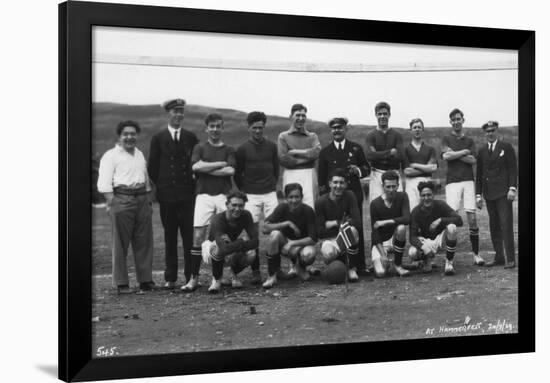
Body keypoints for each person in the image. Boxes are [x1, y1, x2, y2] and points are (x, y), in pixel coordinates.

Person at [98, 120, 155, 294]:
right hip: (121, 199)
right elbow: (104, 183)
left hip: (142, 200)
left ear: (137, 135)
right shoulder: (110, 156)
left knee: (144, 241)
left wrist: (147, 199)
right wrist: (112, 202)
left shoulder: (139, 154)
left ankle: (145, 280)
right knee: (120, 243)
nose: (129, 137)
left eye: (133, 134)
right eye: (126, 134)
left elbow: (145, 179)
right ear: (119, 136)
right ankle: (121, 284)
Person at [148, 99, 198, 290]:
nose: (178, 115)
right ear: (168, 114)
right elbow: (152, 167)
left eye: (181, 112)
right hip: (167, 195)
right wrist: (163, 185)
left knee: (188, 237)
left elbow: (195, 162)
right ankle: (170, 277)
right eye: (175, 111)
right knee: (169, 236)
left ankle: (189, 276)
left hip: (187, 195)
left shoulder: (190, 137)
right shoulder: (158, 138)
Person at [186, 113, 237, 291]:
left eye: (218, 126)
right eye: (212, 126)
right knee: (198, 236)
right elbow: (195, 167)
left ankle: (219, 277)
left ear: (223, 128)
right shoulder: (199, 147)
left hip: (223, 196)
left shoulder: (229, 149)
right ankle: (193, 279)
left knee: (222, 235)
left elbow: (230, 171)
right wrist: (219, 164)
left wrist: (206, 168)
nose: (215, 129)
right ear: (206, 128)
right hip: (203, 195)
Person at [318, 117, 370, 275]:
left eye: (340, 127)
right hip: (333, 197)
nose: (337, 130)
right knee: (334, 229)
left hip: (353, 194)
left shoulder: (355, 148)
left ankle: (359, 265)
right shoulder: (325, 152)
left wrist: (358, 170)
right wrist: (325, 197)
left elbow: (367, 168)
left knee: (355, 228)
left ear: (345, 129)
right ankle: (338, 263)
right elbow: (321, 179)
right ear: (331, 130)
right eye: (333, 128)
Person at [235, 111, 279, 284]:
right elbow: (238, 175)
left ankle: (275, 270)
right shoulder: (242, 149)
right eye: (254, 128)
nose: (258, 131)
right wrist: (245, 191)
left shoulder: (271, 146)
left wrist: (271, 185)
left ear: (264, 127)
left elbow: (276, 170)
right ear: (249, 128)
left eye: (261, 127)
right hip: (251, 195)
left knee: (274, 231)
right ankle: (255, 272)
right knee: (252, 233)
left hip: (269, 193)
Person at [441, 108, 485, 266]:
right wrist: (463, 152)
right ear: (450, 122)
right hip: (452, 182)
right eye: (453, 119)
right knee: (451, 220)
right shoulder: (446, 138)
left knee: (472, 218)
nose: (456, 121)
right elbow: (446, 156)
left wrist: (456, 154)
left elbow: (473, 160)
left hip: (468, 181)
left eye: (458, 119)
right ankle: (449, 260)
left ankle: (476, 254)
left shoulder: (470, 140)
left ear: (463, 120)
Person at [475, 121, 518, 269]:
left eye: (492, 130)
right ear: (484, 133)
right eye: (487, 131)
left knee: (506, 225)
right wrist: (478, 195)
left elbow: (513, 169)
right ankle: (499, 256)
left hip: (504, 193)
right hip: (489, 194)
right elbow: (479, 174)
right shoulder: (481, 151)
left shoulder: (506, 147)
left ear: (497, 131)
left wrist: (512, 188)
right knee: (494, 226)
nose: (490, 133)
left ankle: (510, 259)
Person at [262, 183, 318, 289]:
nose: (294, 200)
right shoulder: (282, 208)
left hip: (301, 245)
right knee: (274, 234)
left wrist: (292, 243)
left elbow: (313, 238)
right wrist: (287, 223)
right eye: (291, 197)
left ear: (302, 197)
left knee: (310, 254)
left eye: (297, 197)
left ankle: (300, 267)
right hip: (285, 244)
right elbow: (265, 228)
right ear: (286, 198)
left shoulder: (308, 210)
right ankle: (271, 276)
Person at [202, 190, 259, 293]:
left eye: (241, 205)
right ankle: (216, 279)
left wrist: (236, 244)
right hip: (212, 248)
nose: (237, 209)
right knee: (220, 248)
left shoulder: (246, 215)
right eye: (234, 205)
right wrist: (241, 241)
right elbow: (223, 249)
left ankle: (231, 272)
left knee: (251, 253)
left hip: (231, 246)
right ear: (227, 205)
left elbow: (256, 242)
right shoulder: (217, 219)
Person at [315, 168, 362, 282]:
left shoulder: (350, 196)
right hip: (329, 239)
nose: (338, 186)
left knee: (353, 230)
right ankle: (334, 268)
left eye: (342, 183)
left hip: (345, 235)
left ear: (346, 184)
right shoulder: (321, 201)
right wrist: (344, 223)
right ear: (330, 183)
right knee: (329, 253)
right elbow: (320, 232)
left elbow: (357, 223)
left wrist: (335, 223)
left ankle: (351, 268)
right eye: (335, 182)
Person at [408, 181, 463, 275]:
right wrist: (425, 248)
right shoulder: (416, 211)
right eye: (423, 195)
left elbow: (459, 220)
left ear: (433, 195)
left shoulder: (441, 205)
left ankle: (449, 262)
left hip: (439, 239)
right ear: (420, 196)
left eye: (429, 195)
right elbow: (412, 237)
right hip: (426, 241)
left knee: (452, 227)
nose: (426, 198)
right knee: (412, 252)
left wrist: (440, 220)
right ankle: (426, 260)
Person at [277, 103, 321, 209]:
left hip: (309, 174)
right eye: (298, 115)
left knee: (310, 206)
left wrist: (295, 152)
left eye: (303, 115)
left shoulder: (312, 136)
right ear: (291, 117)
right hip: (290, 174)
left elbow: (317, 153)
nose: (301, 118)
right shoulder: (283, 136)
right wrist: (308, 157)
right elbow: (284, 160)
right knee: (291, 206)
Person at [369, 170, 411, 277]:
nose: (391, 190)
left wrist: (386, 221)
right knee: (380, 273)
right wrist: (383, 255)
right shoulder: (375, 204)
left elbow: (407, 219)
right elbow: (375, 232)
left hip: (395, 238)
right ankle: (384, 261)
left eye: (394, 186)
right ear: (383, 186)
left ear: (398, 185)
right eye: (388, 186)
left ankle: (398, 265)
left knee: (401, 228)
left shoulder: (403, 196)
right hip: (381, 242)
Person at [365, 101, 404, 202]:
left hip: (394, 173)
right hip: (376, 173)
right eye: (379, 114)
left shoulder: (397, 135)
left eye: (385, 114)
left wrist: (378, 155)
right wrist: (390, 153)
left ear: (389, 115)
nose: (382, 116)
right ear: (376, 115)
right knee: (376, 204)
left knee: (397, 205)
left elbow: (400, 157)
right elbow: (370, 156)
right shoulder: (371, 135)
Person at [403, 118, 437, 210]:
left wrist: (415, 165)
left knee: (428, 210)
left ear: (422, 129)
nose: (417, 129)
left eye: (419, 127)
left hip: (427, 181)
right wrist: (425, 168)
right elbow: (407, 171)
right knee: (413, 211)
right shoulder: (406, 149)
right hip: (411, 183)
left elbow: (433, 168)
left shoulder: (430, 149)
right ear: (410, 130)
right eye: (414, 127)